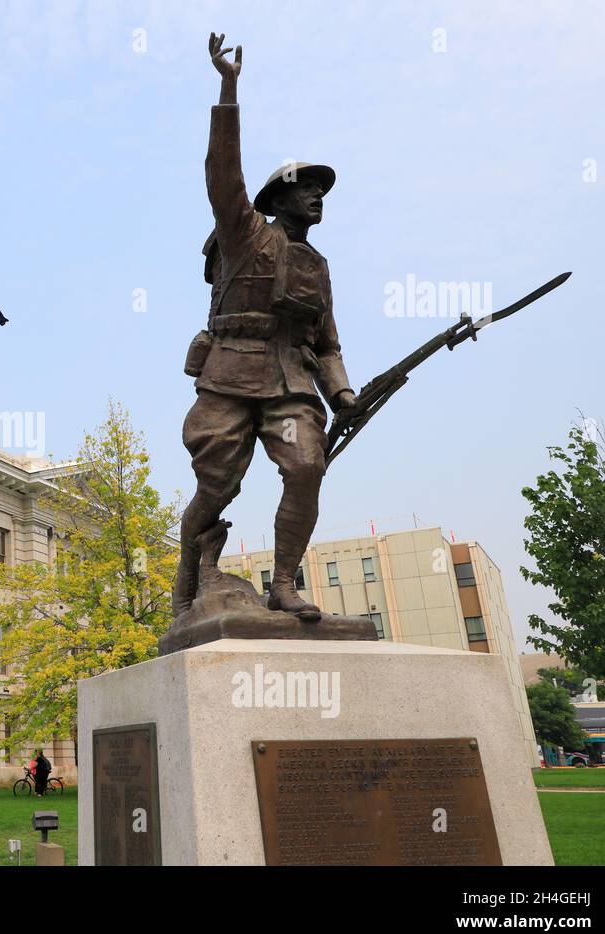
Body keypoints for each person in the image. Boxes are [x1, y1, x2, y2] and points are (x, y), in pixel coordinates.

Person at [175, 32, 358, 623]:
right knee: (216, 488)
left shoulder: (317, 265)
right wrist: (227, 90)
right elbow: (221, 172)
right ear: (278, 198)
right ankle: (189, 570)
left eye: (322, 192)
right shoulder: (243, 231)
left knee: (307, 467)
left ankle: (283, 584)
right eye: (307, 189)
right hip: (230, 374)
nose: (318, 198)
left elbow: (326, 342)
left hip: (290, 382)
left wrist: (343, 393)